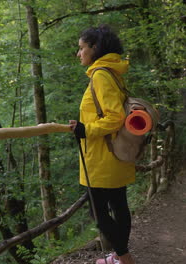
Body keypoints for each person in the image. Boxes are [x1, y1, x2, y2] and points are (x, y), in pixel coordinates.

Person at [69, 25, 136, 264]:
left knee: (97, 212)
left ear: (94, 48)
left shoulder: (100, 75)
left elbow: (115, 117)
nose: (79, 54)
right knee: (118, 206)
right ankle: (121, 257)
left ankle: (124, 258)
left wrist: (85, 130)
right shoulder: (112, 72)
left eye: (81, 48)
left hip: (103, 156)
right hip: (114, 152)